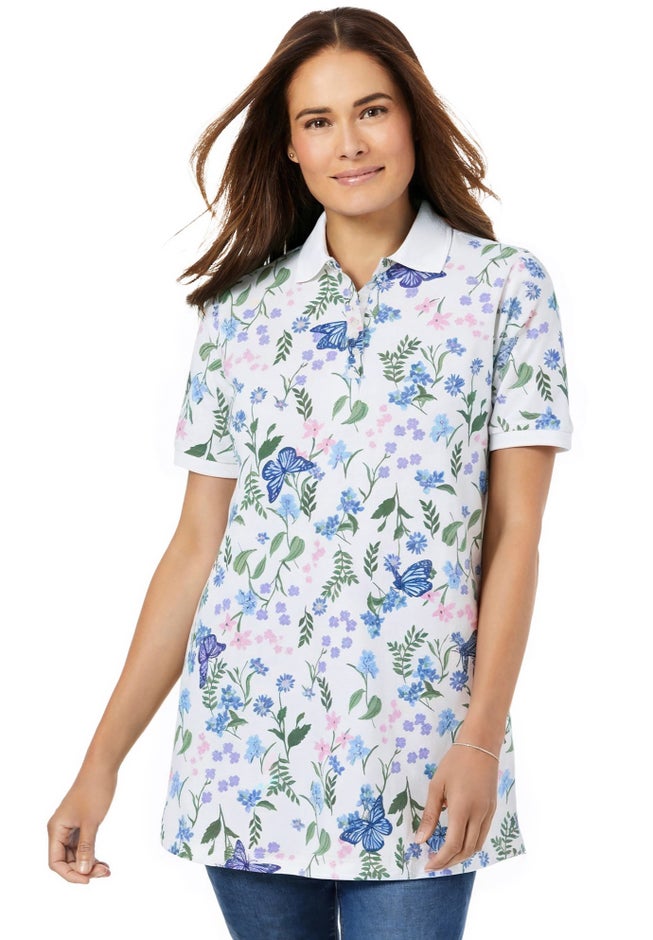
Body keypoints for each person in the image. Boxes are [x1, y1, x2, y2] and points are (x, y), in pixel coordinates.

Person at [47, 7, 572, 939]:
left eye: (371, 111)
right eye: (318, 121)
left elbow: (514, 535)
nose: (349, 144)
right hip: (245, 757)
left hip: (419, 759)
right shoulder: (240, 315)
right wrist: (100, 764)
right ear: (290, 146)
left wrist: (480, 739)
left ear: (411, 118)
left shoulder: (503, 289)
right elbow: (196, 548)